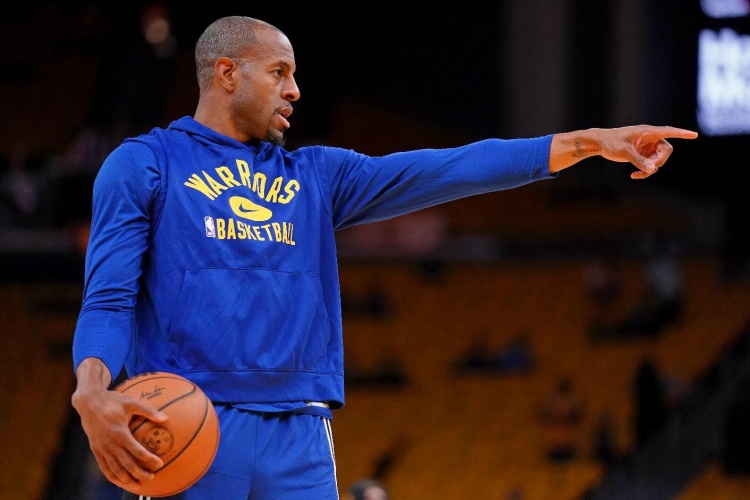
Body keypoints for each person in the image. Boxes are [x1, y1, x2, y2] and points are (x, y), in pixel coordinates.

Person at [69, 15, 698, 500]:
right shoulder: (145, 164)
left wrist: (588, 142)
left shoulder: (317, 176)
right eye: (279, 72)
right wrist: (92, 390)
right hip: (192, 423)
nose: (295, 90)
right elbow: (108, 298)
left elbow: (451, 168)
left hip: (302, 432)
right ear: (227, 73)